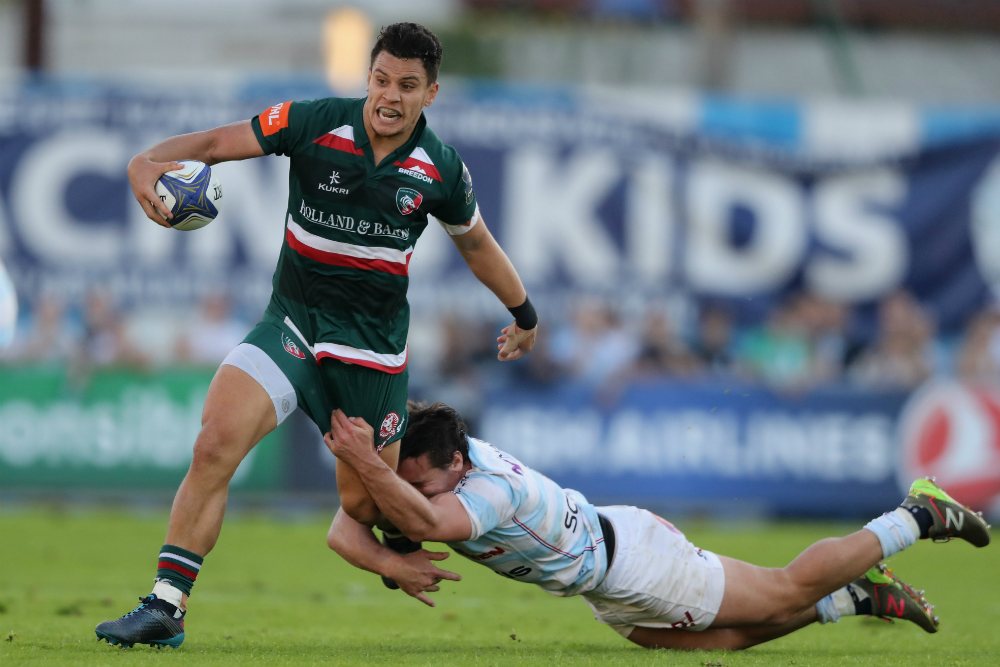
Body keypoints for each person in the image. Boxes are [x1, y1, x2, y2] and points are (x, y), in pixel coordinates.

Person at [95, 23, 538, 649]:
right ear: (368, 78)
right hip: (294, 323)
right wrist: (149, 159)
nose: (389, 95)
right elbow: (221, 142)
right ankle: (167, 605)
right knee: (215, 441)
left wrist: (525, 315)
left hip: (371, 355)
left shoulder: (439, 168)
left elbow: (478, 246)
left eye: (407, 86)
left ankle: (406, 539)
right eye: (381, 79)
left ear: (430, 94)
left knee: (363, 507)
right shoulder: (311, 121)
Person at [324, 402, 991, 650]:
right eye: (403, 478)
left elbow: (423, 519)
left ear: (457, 465)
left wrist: (365, 468)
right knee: (720, 645)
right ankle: (857, 594)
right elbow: (344, 528)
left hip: (635, 562)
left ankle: (917, 513)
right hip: (604, 579)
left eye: (420, 481)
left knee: (784, 587)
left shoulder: (487, 490)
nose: (407, 493)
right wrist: (388, 558)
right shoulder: (432, 460)